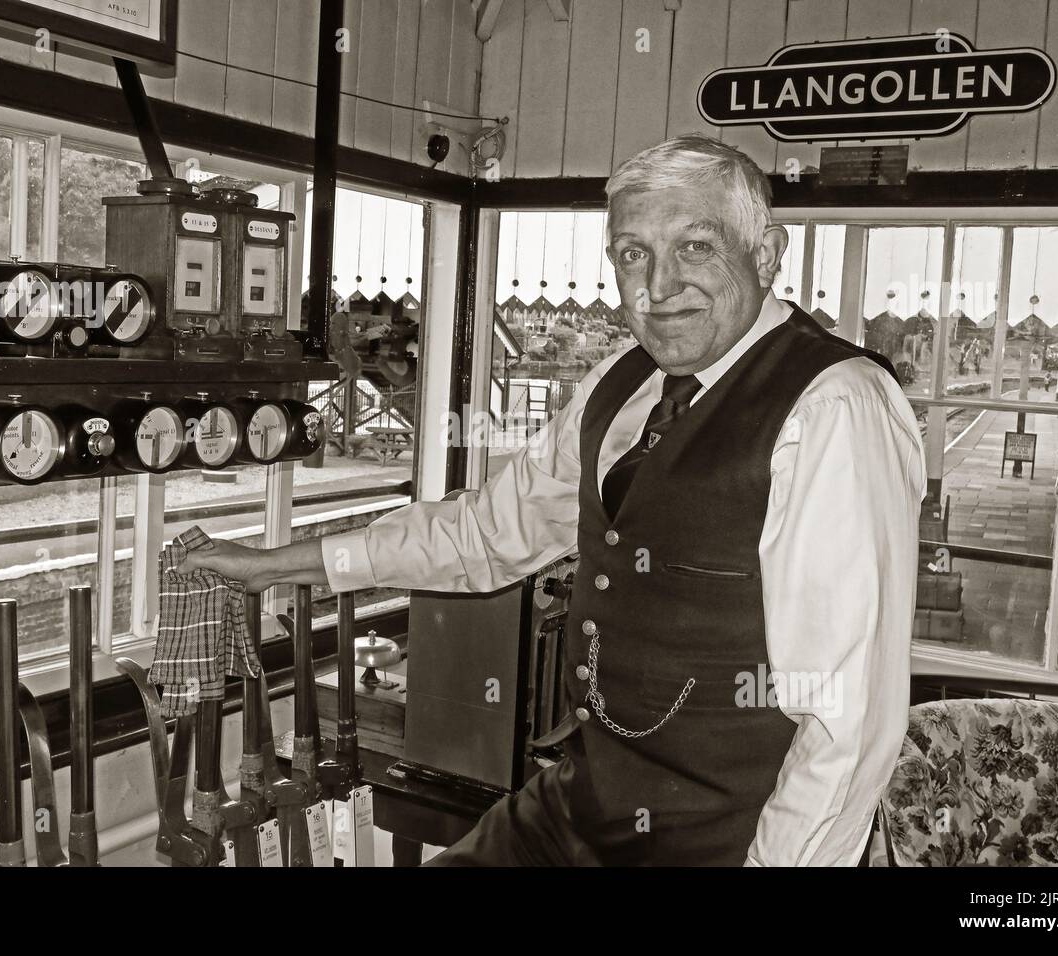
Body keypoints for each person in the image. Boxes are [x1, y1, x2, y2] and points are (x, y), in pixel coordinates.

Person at [181, 134, 926, 866]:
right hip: (582, 802)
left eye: (695, 248)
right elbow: (489, 532)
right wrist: (279, 564)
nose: (657, 287)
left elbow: (846, 719)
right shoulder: (622, 381)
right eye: (633, 254)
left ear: (764, 255)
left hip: (729, 838)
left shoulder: (835, 407)